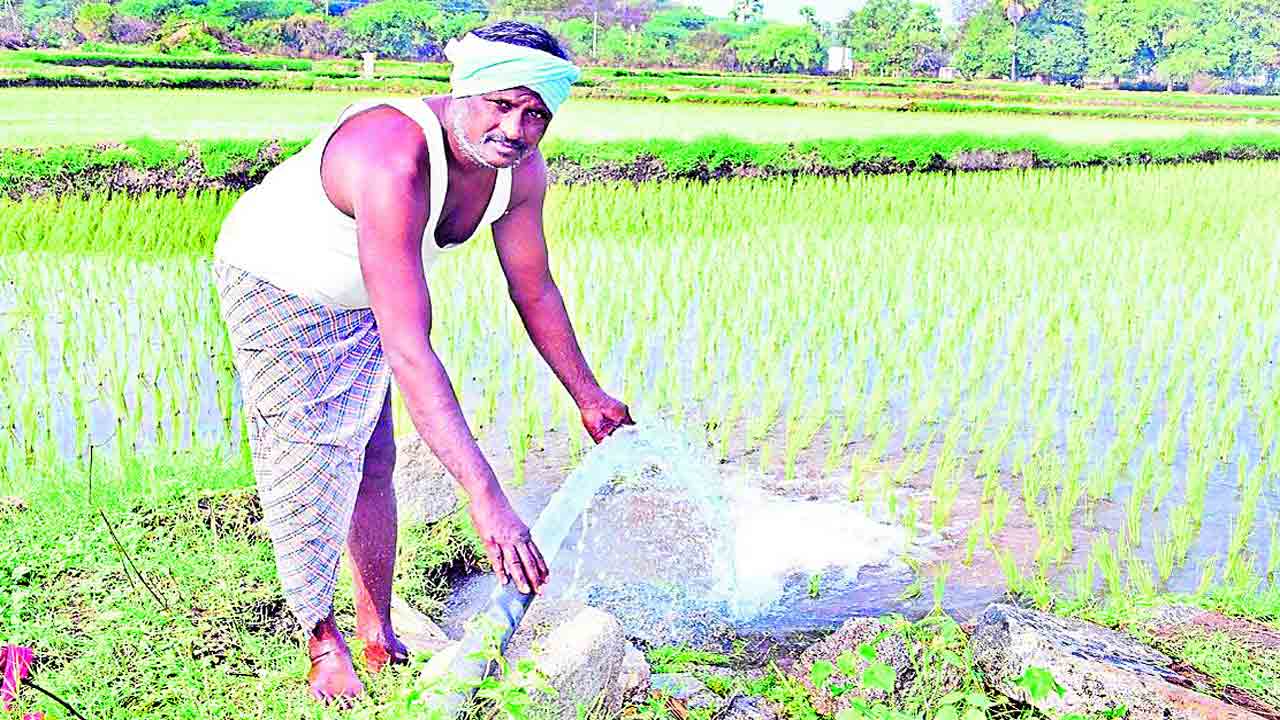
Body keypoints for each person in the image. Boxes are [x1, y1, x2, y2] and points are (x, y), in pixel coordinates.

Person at [211, 21, 633, 703]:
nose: (517, 128)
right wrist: (486, 497)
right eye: (502, 103)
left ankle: (378, 632)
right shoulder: (392, 155)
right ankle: (321, 639)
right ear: (464, 90)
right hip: (281, 283)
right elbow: (410, 347)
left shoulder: (518, 171)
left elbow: (535, 287)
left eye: (536, 115)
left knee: (374, 458)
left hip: (369, 291)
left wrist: (588, 396)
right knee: (311, 453)